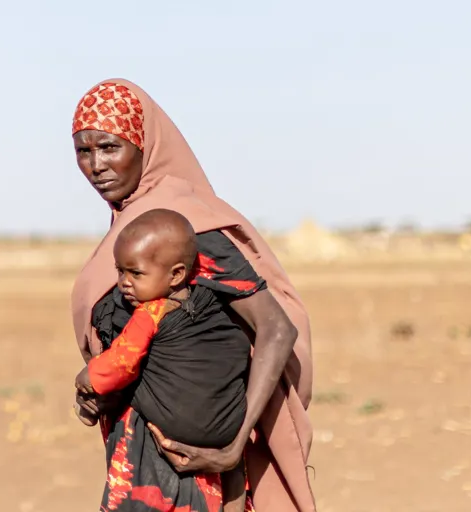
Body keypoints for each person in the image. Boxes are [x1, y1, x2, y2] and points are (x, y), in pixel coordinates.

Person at [69, 80, 315, 512]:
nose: (96, 166)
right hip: (138, 457)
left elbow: (276, 328)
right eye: (83, 151)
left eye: (109, 147)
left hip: (197, 468)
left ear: (145, 146)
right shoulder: (135, 233)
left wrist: (233, 446)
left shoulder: (184, 228)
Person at [74, 208, 258, 512]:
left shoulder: (151, 313)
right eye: (120, 271)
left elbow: (120, 363)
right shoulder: (215, 305)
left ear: (176, 274)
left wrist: (87, 378)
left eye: (135, 273)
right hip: (229, 433)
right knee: (233, 475)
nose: (124, 283)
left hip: (179, 436)